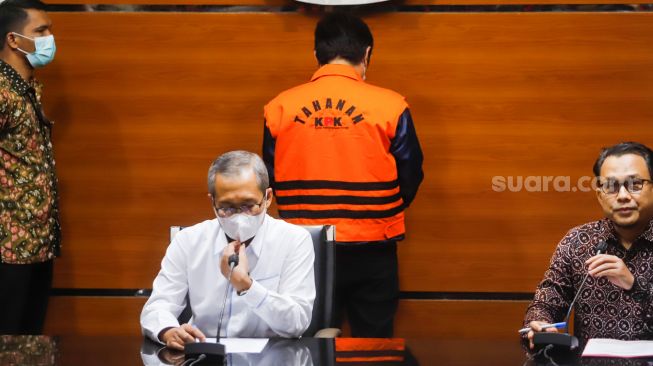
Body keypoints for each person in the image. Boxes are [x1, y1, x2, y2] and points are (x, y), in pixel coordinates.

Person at [263, 12, 423, 337]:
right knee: (374, 342)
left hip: (304, 245)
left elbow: (269, 177)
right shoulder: (391, 106)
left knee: (306, 343)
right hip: (373, 244)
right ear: (366, 54)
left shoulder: (279, 107)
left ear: (316, 55)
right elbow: (411, 173)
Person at [140, 151, 315, 350]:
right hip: (205, 356)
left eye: (249, 206)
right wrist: (168, 330)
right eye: (226, 207)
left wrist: (247, 287)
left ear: (267, 198)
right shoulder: (188, 241)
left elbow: (297, 323)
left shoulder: (294, 240)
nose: (239, 217)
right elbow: (157, 307)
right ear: (212, 201)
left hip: (275, 356)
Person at [524, 142, 653, 350]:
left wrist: (634, 286)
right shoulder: (578, 241)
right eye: (611, 186)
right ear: (600, 195)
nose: (622, 196)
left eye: (635, 184)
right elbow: (546, 302)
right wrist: (540, 323)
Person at [0, 0, 60, 335]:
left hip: (36, 241)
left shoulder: (26, 89)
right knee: (8, 340)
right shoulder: (2, 91)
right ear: (13, 40)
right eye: (40, 31)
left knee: (29, 340)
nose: (50, 38)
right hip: (8, 246)